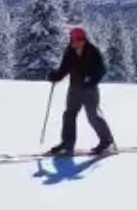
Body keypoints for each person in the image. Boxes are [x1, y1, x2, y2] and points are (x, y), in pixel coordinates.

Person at [45, 26, 116, 156]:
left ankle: (106, 140)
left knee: (92, 116)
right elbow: (64, 69)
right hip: (74, 90)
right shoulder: (69, 52)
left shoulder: (92, 52)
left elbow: (101, 70)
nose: (73, 42)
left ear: (83, 39)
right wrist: (55, 76)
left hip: (90, 90)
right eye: (71, 39)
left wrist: (91, 82)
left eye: (76, 39)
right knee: (69, 115)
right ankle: (67, 143)